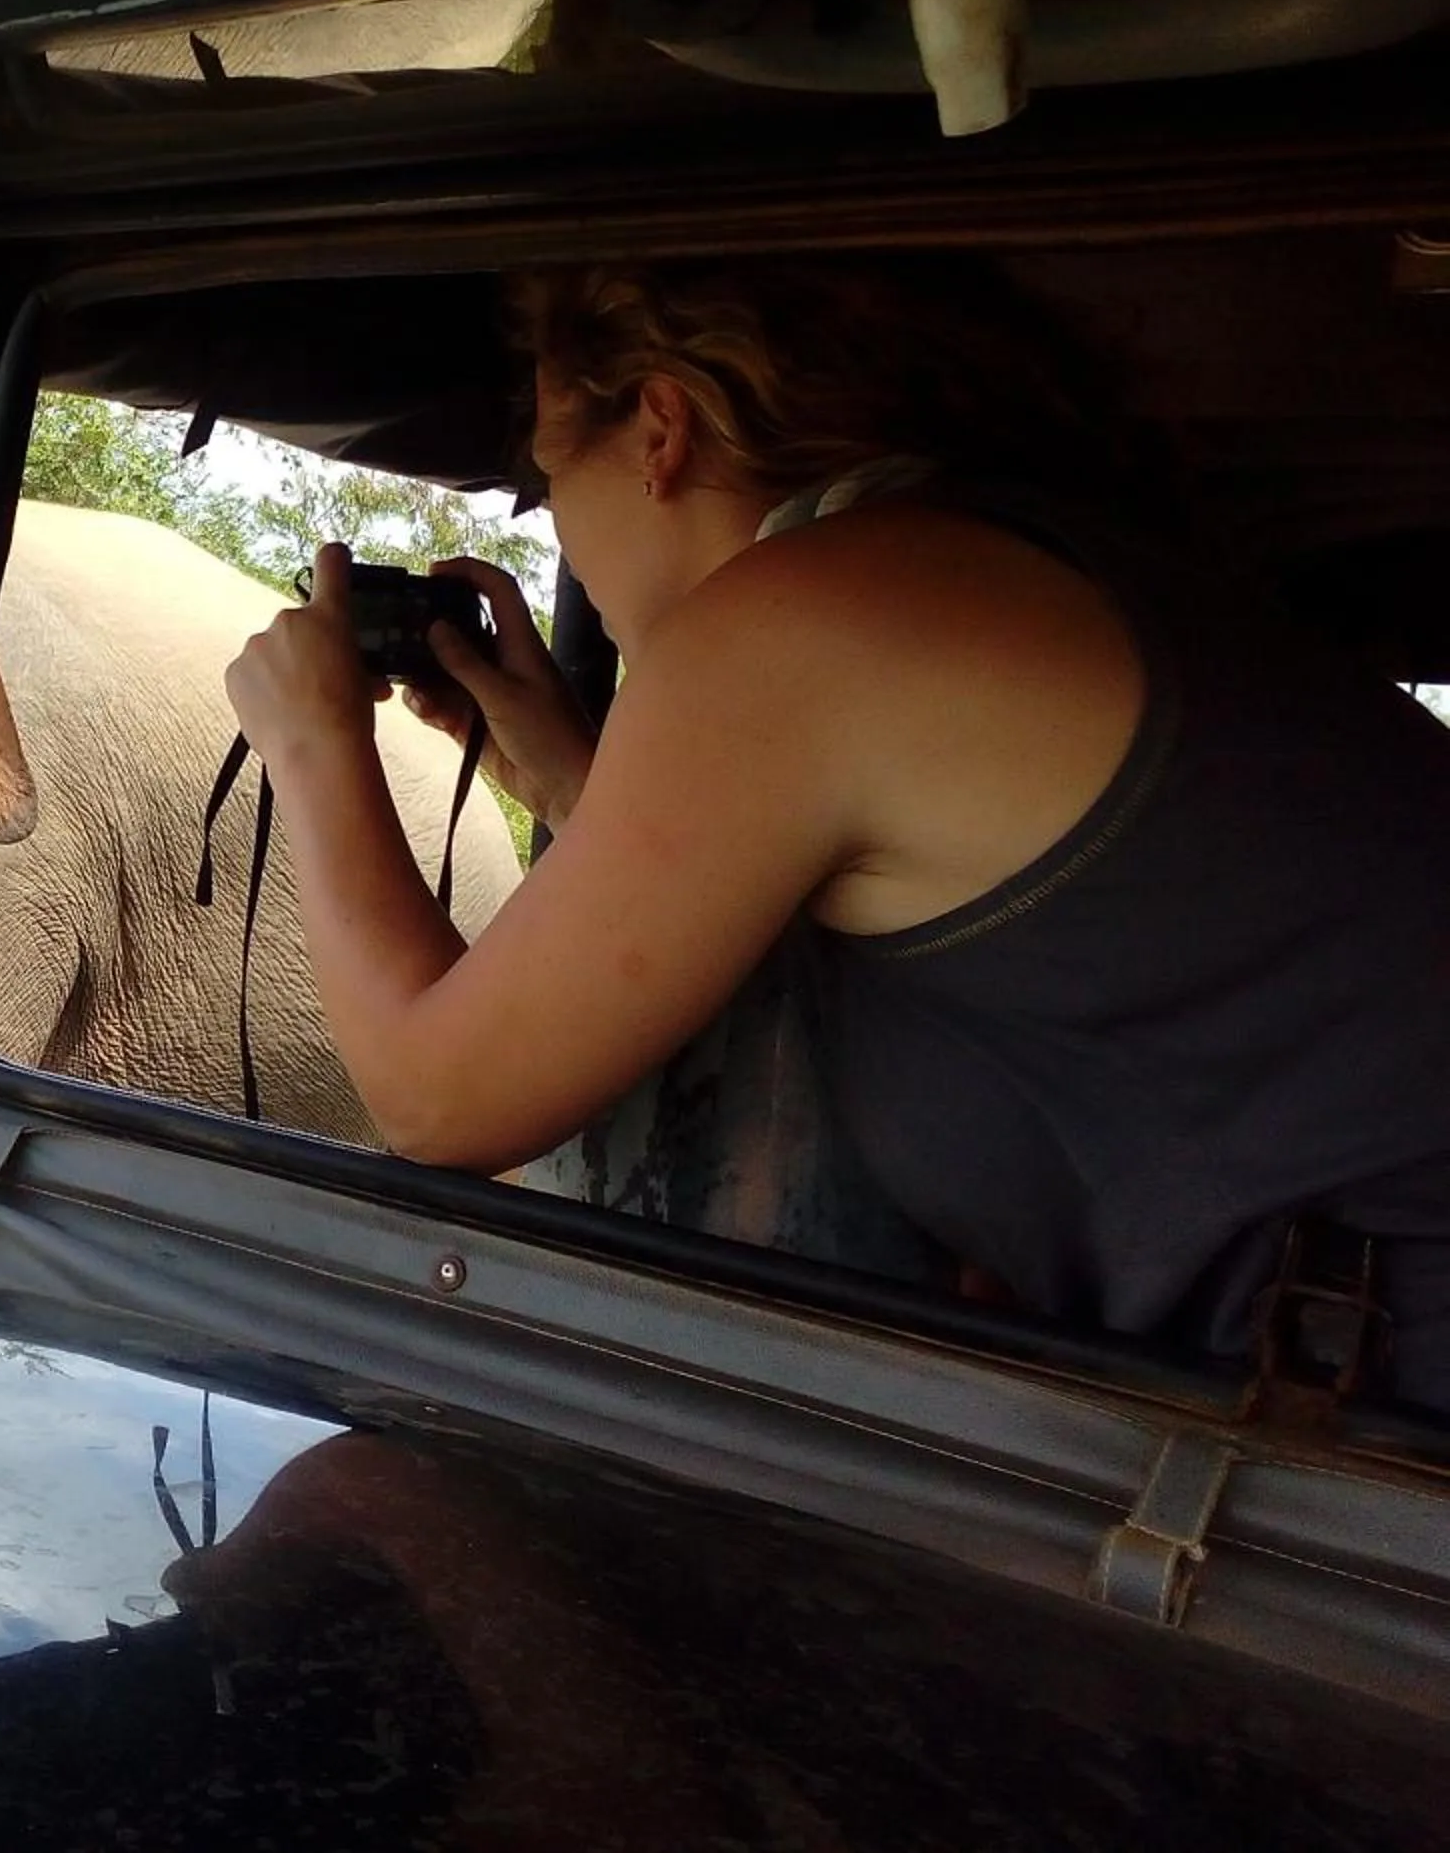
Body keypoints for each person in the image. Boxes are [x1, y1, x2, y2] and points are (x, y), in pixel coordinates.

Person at [223, 256, 1450, 1414]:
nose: (562, 538)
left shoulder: (807, 612)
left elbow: (439, 1100)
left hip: (1390, 1431)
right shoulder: (997, 566)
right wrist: (563, 773)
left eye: (552, 483)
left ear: (659, 431)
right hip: (1331, 1387)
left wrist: (315, 740)